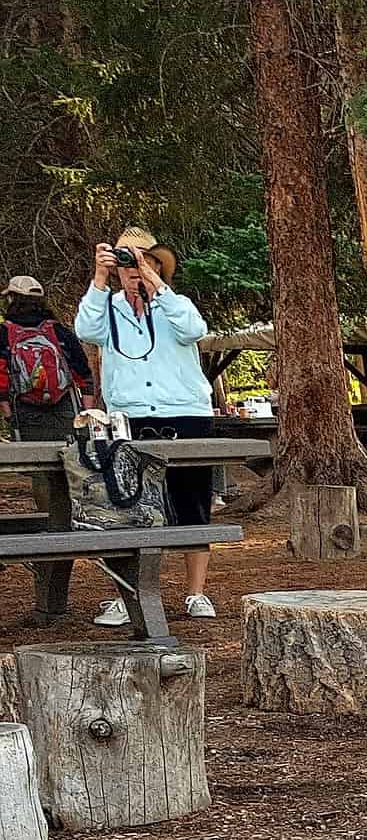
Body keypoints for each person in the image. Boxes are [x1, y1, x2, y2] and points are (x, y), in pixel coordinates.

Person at [73, 227, 219, 627]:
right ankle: (127, 595)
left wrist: (156, 285)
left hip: (184, 412)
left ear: (156, 263)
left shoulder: (175, 305)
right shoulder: (107, 307)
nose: (134, 267)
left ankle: (196, 593)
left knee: (192, 502)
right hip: (129, 416)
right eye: (126, 259)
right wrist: (100, 279)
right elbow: (85, 331)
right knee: (127, 506)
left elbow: (194, 330)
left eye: (142, 258)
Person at [3, 274, 97, 442]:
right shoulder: (59, 331)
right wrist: (85, 413)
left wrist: (9, 416)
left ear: (11, 299)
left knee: (32, 460)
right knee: (72, 456)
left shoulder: (4, 334)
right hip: (64, 406)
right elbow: (83, 374)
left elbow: (1, 379)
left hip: (24, 409)